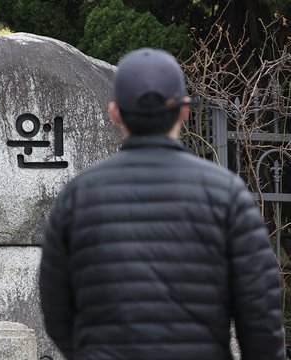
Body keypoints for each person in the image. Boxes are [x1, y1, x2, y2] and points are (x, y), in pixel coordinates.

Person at [39, 48, 285, 360]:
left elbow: (56, 310)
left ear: (115, 113)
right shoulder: (227, 195)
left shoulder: (76, 198)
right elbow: (260, 315)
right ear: (185, 111)